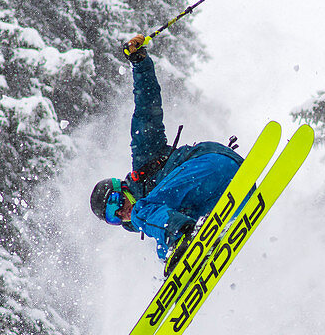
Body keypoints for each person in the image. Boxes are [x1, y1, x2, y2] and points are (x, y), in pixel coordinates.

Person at [90, 34, 242, 270]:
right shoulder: (158, 216)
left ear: (123, 187)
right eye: (113, 217)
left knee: (146, 214)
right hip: (232, 194)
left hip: (211, 166)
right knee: (163, 251)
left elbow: (146, 108)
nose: (120, 212)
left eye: (115, 202)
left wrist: (140, 63)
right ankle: (194, 252)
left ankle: (184, 240)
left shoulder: (144, 161)